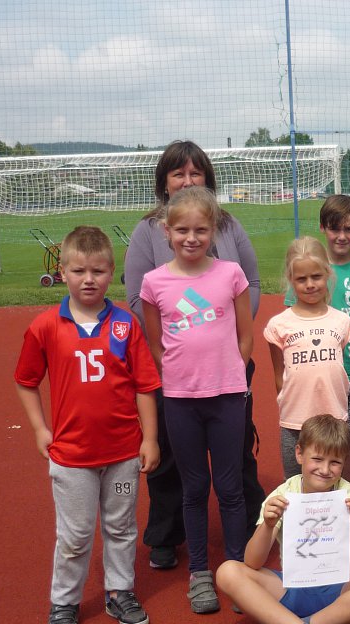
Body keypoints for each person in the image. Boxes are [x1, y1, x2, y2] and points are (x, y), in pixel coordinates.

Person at [14, 226, 161, 624]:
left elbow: (145, 386)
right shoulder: (46, 326)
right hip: (72, 456)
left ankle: (120, 591)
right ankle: (64, 600)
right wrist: (39, 429)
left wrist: (149, 438)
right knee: (75, 535)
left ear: (111, 272)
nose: (89, 279)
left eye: (98, 271)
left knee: (121, 527)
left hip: (122, 454)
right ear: (62, 272)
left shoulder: (125, 324)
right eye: (79, 271)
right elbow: (26, 380)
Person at [125, 139, 264, 570]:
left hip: (227, 366)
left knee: (235, 460)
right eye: (178, 173)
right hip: (178, 373)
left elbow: (250, 281)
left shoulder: (228, 227)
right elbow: (140, 299)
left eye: (195, 172)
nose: (188, 180)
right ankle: (169, 537)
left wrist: (231, 340)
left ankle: (247, 538)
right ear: (164, 183)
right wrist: (175, 351)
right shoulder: (148, 232)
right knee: (174, 462)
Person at [140, 186, 254, 614]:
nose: (192, 238)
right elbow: (156, 344)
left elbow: (244, 335)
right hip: (181, 400)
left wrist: (230, 374)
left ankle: (238, 573)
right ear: (167, 231)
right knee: (193, 488)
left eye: (201, 230)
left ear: (214, 231)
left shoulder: (231, 274)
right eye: (182, 230)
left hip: (226, 397)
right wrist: (181, 377)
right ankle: (201, 573)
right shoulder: (154, 282)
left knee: (230, 487)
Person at [215, 415, 350, 624]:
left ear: (344, 463)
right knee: (227, 572)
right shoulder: (283, 494)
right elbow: (252, 562)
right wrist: (268, 525)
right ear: (299, 454)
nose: (325, 469)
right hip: (290, 588)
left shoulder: (348, 496)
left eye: (335, 462)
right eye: (317, 459)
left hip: (338, 594)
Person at [283, 195, 350, 491]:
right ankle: (312, 498)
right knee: (315, 438)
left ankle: (346, 498)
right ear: (322, 228)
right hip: (320, 372)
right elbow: (290, 325)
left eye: (349, 229)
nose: (342, 236)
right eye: (334, 228)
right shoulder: (310, 271)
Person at [265, 236, 350, 479]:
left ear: (328, 274)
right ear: (290, 279)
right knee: (296, 483)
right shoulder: (279, 325)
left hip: (333, 419)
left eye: (316, 276)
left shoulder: (341, 321)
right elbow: (279, 376)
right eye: (301, 279)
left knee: (331, 481)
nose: (310, 284)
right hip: (295, 421)